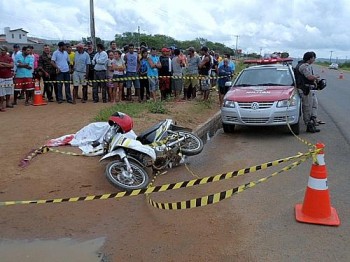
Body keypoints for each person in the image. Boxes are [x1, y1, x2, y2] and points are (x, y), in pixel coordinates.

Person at [297, 51, 321, 133]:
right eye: (314, 58)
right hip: (305, 90)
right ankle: (308, 125)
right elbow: (309, 77)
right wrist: (316, 77)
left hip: (310, 89)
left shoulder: (306, 66)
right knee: (307, 108)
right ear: (310, 58)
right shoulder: (304, 66)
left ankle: (313, 121)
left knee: (314, 105)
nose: (314, 59)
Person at [0, 45, 14, 111]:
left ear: (6, 51)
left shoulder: (9, 58)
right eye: (1, 50)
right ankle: (1, 105)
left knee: (9, 91)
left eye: (3, 50)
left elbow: (12, 65)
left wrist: (3, 64)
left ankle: (7, 103)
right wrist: (7, 65)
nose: (2, 51)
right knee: (1, 92)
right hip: (1, 77)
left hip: (8, 77)